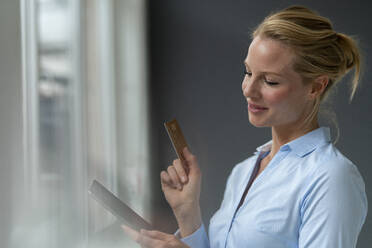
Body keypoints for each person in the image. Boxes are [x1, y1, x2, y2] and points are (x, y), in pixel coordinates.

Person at [122, 5, 368, 248]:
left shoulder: (331, 178)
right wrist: (188, 215)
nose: (249, 90)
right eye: (248, 72)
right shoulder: (244, 171)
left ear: (316, 87)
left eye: (270, 81)